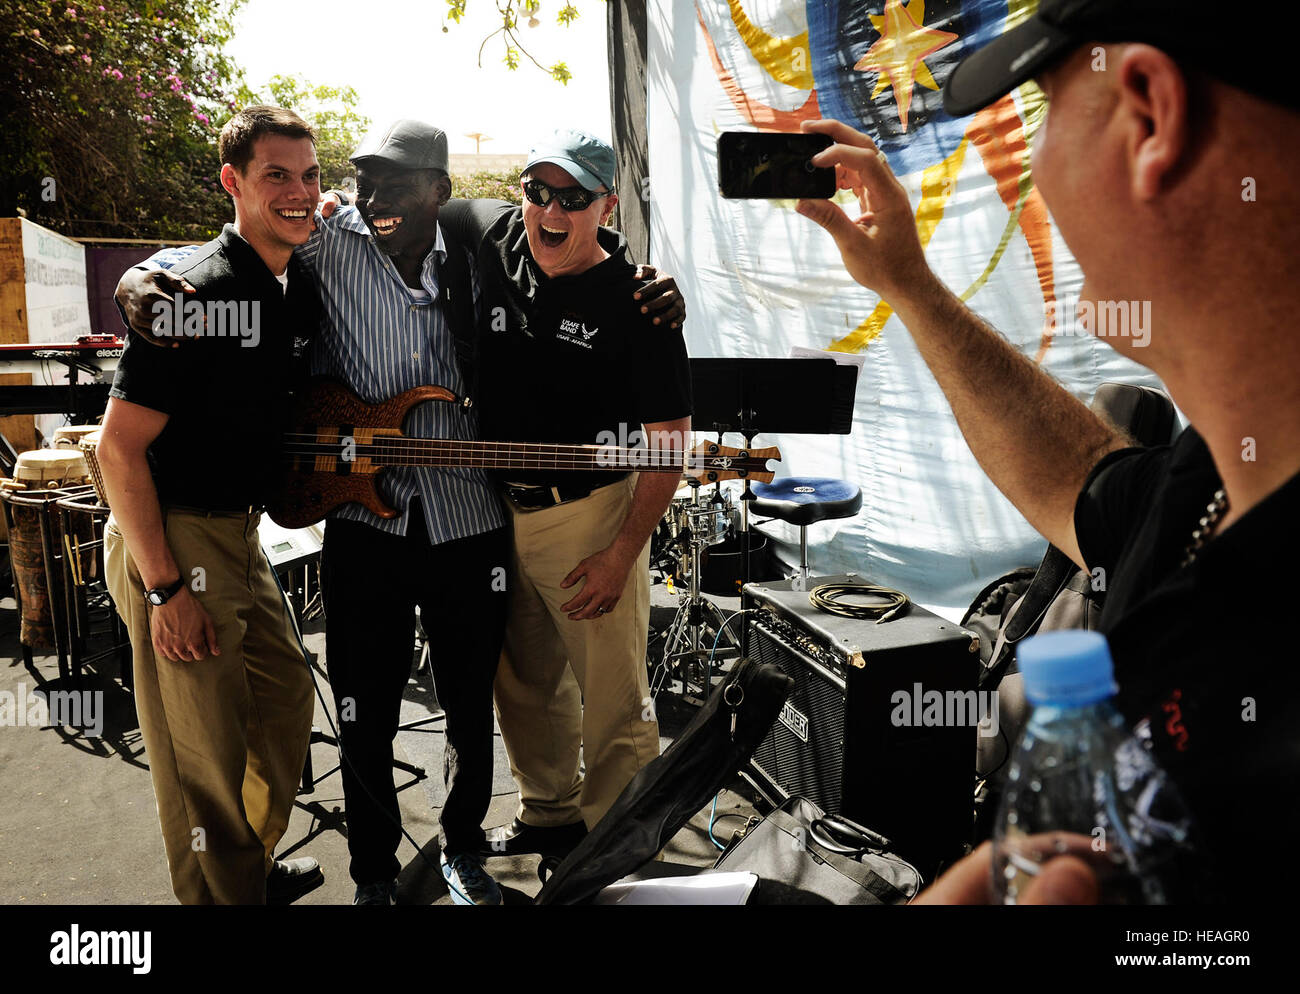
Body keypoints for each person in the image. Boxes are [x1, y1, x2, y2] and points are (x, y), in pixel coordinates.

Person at [799, 0, 1299, 903]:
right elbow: (1082, 488)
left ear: (1148, 113)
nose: (1033, 160)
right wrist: (908, 286)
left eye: (1045, 104)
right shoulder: (1220, 477)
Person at [116, 120, 687, 903]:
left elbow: (585, 241)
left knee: (469, 702)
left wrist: (643, 273)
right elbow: (228, 254)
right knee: (365, 711)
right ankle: (375, 874)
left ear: (440, 194)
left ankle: (461, 847)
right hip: (363, 522)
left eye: (395, 183)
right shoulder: (326, 237)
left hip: (469, 516)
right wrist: (142, 277)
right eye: (362, 179)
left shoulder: (481, 242)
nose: (371, 197)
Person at [438, 130, 692, 857]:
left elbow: (671, 437)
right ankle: (549, 815)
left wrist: (620, 554)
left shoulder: (639, 300)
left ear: (607, 205)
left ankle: (619, 846)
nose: (549, 209)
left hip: (589, 517)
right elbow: (398, 208)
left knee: (612, 699)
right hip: (494, 512)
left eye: (572, 198)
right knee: (523, 684)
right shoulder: (493, 238)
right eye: (536, 191)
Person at [97, 105, 322, 905]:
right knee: (201, 755)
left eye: (309, 174)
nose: (299, 193)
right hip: (170, 535)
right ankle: (219, 895)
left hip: (237, 535)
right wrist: (164, 590)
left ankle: (243, 868)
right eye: (276, 176)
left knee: (287, 698)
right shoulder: (190, 293)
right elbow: (115, 450)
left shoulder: (294, 282)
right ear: (232, 182)